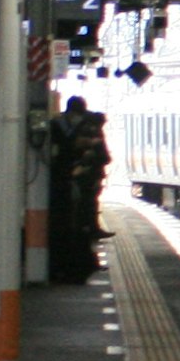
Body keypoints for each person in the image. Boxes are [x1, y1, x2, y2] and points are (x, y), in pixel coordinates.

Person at [46, 96, 109, 286]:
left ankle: (66, 268)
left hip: (68, 185)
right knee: (72, 227)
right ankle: (70, 268)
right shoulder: (59, 127)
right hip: (65, 185)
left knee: (71, 228)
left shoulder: (59, 125)